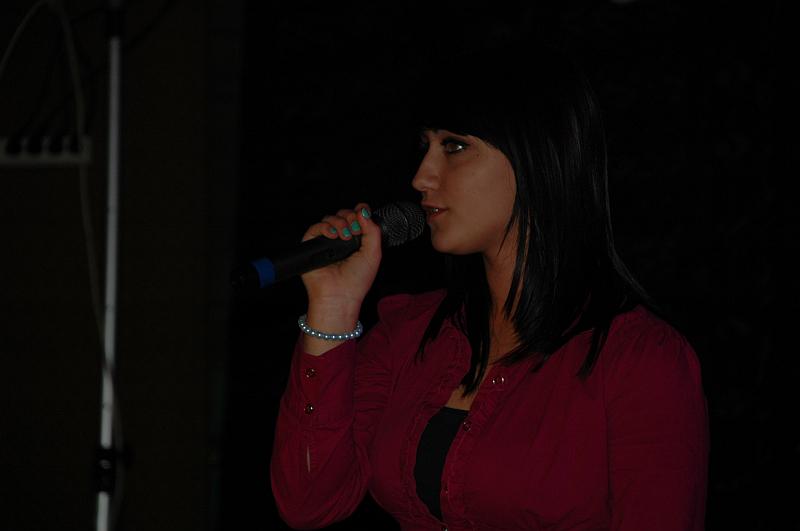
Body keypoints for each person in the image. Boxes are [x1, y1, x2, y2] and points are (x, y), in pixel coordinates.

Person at [269, 40, 709, 530]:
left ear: (536, 156)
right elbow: (309, 502)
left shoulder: (640, 361)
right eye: (425, 146)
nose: (421, 177)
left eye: (454, 147)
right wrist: (333, 308)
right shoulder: (409, 335)